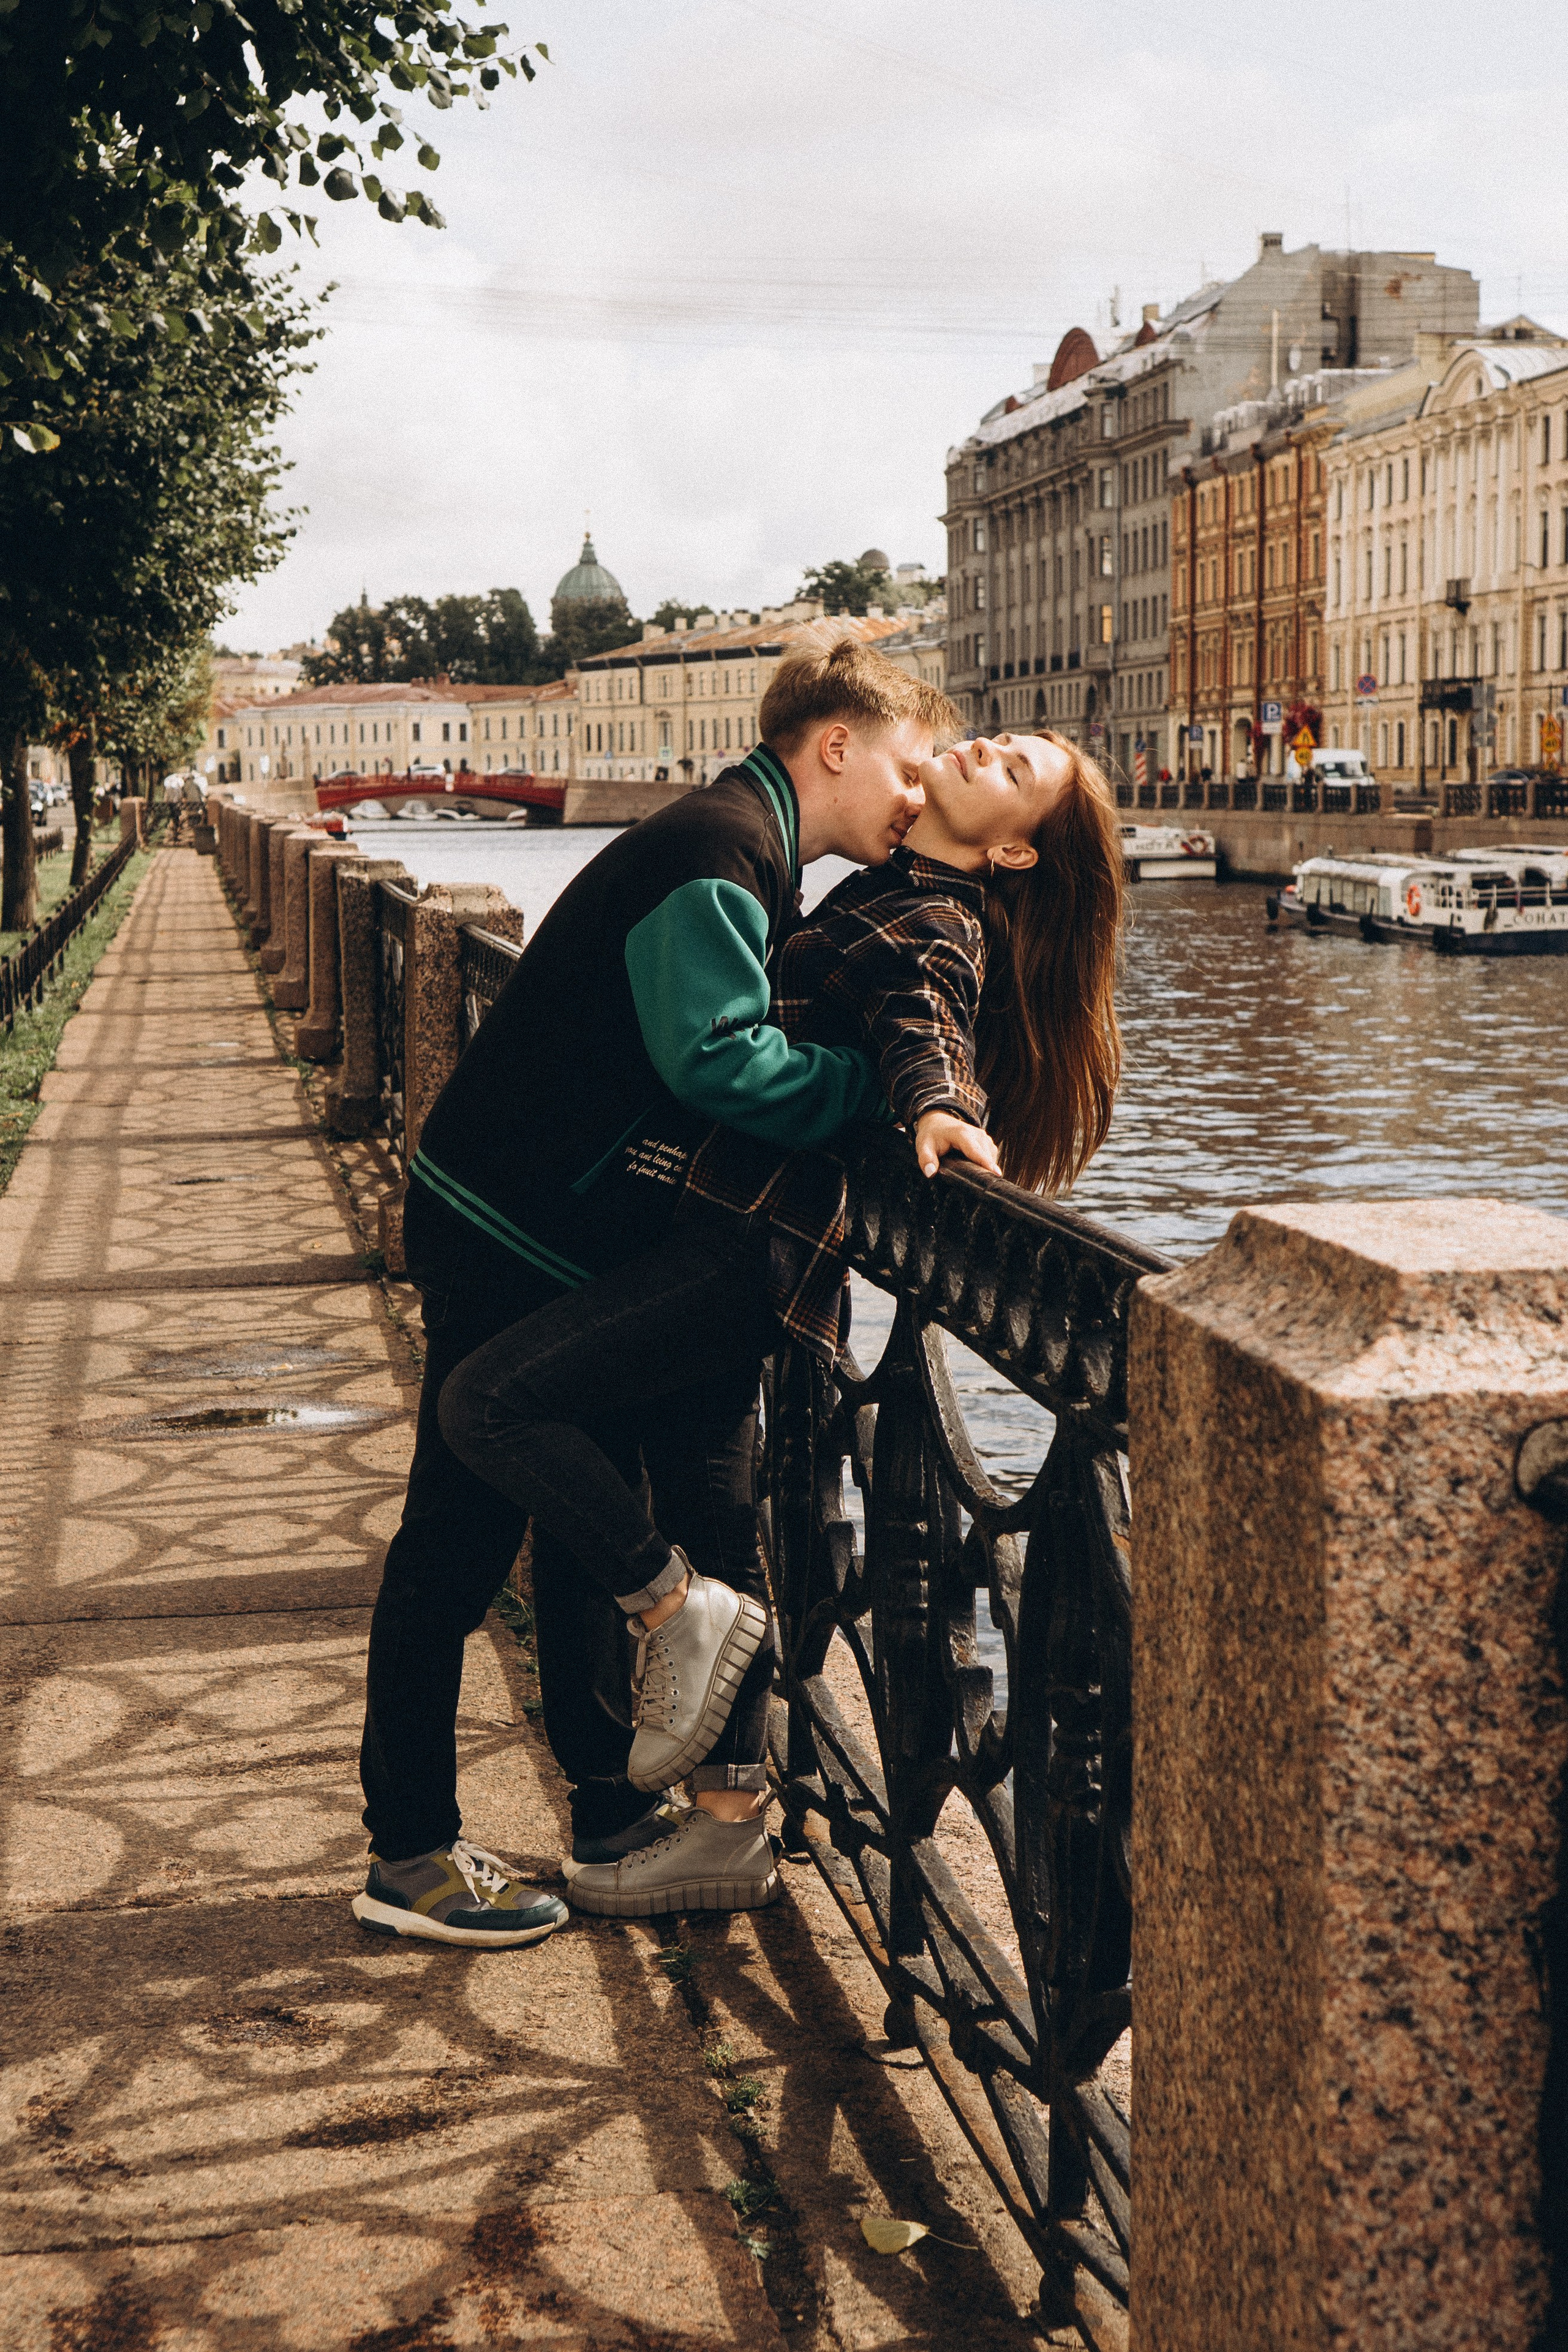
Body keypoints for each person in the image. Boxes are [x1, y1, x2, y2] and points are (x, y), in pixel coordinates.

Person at [436, 720, 1126, 1920]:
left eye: (1015, 772)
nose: (986, 750)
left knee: (491, 1403)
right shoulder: (888, 881)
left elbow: (924, 1019)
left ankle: (672, 1612)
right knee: (712, 1501)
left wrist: (936, 1106)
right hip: (717, 1237)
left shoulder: (936, 918)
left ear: (1015, 853)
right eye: (1000, 739)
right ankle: (724, 1822)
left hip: (743, 1251)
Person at [352, 636, 948, 1948]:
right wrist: (868, 1102)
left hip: (553, 1223)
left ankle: (609, 1821)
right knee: (452, 1544)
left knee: (576, 1530)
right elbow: (718, 1062)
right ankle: (406, 1852)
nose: (917, 797)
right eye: (906, 768)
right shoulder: (716, 850)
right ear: (834, 745)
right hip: (505, 1219)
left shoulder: (742, 845)